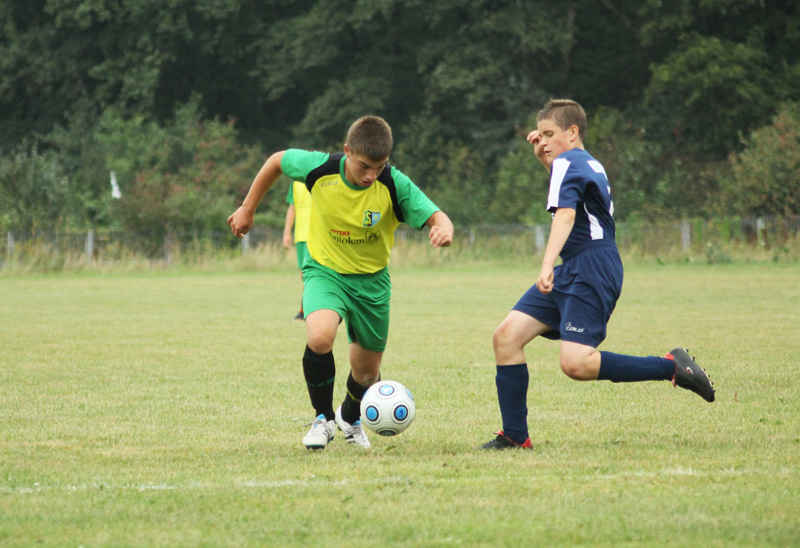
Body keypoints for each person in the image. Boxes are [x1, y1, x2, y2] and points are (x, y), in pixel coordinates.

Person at [480, 99, 715, 450]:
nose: (543, 141)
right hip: (580, 264)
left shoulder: (568, 162)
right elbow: (571, 197)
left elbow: (566, 215)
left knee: (576, 364)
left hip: (590, 267)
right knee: (507, 337)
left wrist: (546, 264)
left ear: (573, 132)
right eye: (540, 134)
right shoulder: (583, 162)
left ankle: (671, 367)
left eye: (550, 134)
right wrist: (544, 158)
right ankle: (515, 435)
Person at [228, 115, 454, 450]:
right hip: (325, 270)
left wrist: (444, 229)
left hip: (372, 283)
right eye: (364, 166)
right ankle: (323, 419)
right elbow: (276, 161)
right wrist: (248, 208)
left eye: (378, 167)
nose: (370, 175)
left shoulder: (394, 184)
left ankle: (349, 417)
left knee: (367, 374)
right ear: (347, 151)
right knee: (320, 336)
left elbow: (438, 216)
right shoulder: (321, 169)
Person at [283, 180, 312, 321]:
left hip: (316, 236)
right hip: (300, 236)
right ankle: (304, 310)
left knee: (310, 275)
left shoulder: (321, 177)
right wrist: (286, 233)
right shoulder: (295, 183)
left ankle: (306, 311)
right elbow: (292, 208)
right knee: (303, 275)